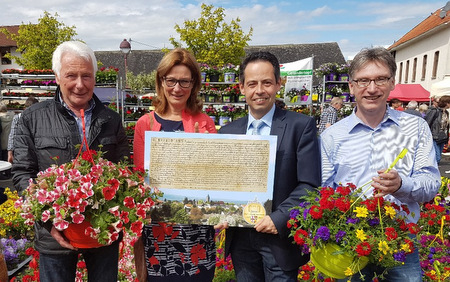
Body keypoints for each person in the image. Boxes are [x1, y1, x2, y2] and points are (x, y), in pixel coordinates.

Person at [11, 41, 129, 282]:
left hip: (102, 232)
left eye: (86, 75)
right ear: (57, 76)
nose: (79, 84)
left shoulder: (111, 119)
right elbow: (23, 174)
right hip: (55, 235)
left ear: (94, 77)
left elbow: (124, 170)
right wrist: (50, 223)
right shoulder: (32, 118)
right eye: (71, 75)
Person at [321, 47, 440, 281]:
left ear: (392, 82)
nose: (372, 88)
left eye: (380, 79)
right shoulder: (332, 136)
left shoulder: (415, 128)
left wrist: (401, 185)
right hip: (349, 242)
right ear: (351, 86)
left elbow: (431, 184)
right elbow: (323, 190)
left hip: (401, 242)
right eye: (363, 80)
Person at [218, 51, 321, 281]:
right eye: (252, 83)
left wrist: (280, 218)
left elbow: (309, 184)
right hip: (241, 240)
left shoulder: (300, 126)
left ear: (278, 84)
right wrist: (219, 208)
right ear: (242, 87)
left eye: (266, 82)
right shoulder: (227, 132)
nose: (259, 90)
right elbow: (223, 183)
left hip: (279, 239)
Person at [133, 48, 217, 281]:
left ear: (193, 85)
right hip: (160, 230)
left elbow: (215, 175)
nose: (177, 88)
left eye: (184, 82)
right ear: (161, 81)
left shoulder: (204, 122)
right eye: (171, 80)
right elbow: (141, 177)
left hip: (196, 228)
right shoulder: (145, 124)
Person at [7, 97, 39, 164]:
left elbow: (12, 135)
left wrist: (10, 151)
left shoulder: (18, 117)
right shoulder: (39, 118)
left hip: (20, 149)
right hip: (34, 148)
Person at [424, 95, 450, 164]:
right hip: (434, 136)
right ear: (446, 103)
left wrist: (447, 139)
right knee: (437, 157)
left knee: (437, 157)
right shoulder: (435, 111)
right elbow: (427, 123)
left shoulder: (446, 113)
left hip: (442, 137)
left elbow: (446, 126)